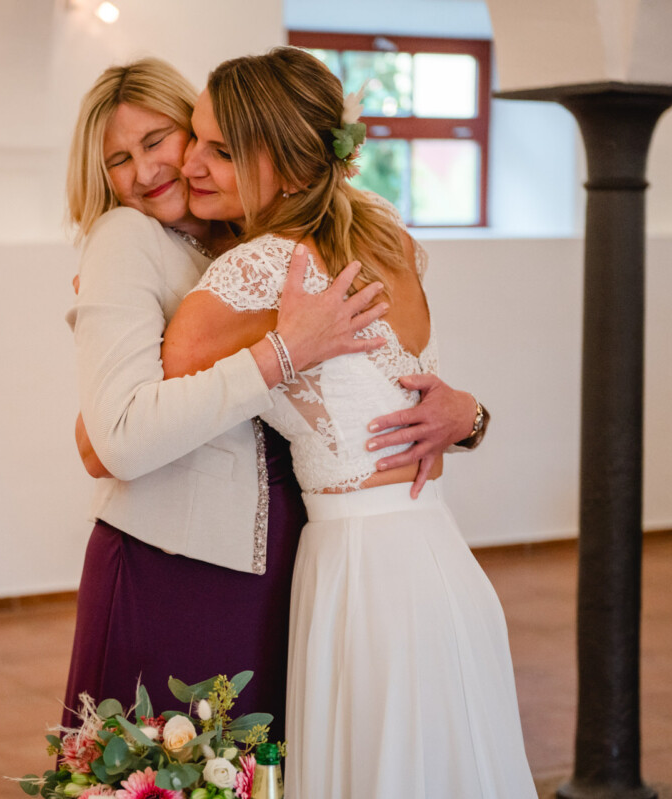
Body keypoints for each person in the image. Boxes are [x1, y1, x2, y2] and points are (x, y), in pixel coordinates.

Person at [62, 58, 486, 741]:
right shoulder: (131, 240)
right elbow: (107, 439)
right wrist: (283, 351)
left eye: (164, 140)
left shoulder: (268, 236)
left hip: (288, 554)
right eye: (118, 158)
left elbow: (382, 379)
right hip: (179, 558)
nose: (153, 170)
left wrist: (470, 416)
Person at [162, 48, 530, 797]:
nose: (189, 161)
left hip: (365, 574)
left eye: (221, 149)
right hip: (436, 554)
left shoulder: (260, 265)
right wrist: (471, 414)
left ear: (293, 172)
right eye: (195, 136)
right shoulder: (382, 230)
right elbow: (407, 377)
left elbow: (173, 379)